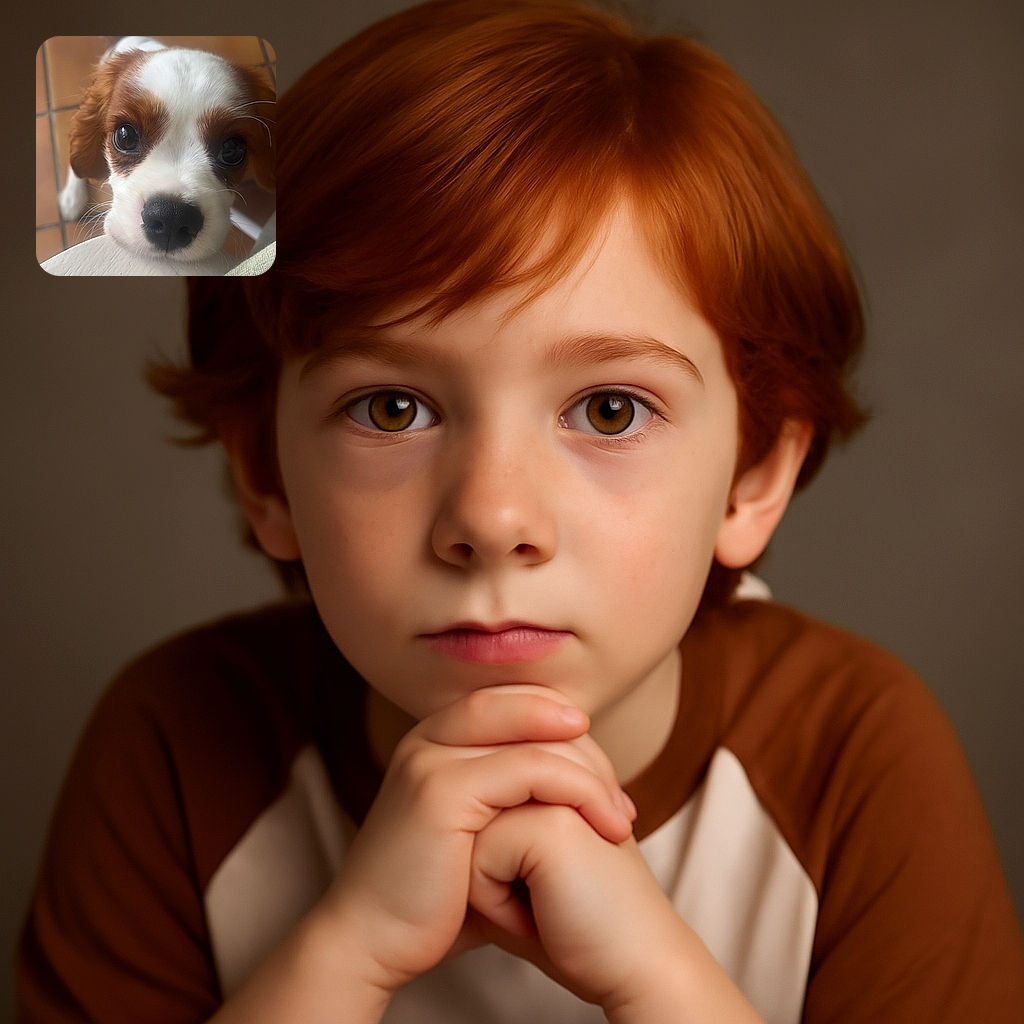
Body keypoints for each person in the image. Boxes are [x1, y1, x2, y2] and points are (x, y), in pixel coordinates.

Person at [17, 1, 1024, 1021]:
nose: (493, 517)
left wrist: (654, 980)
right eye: (392, 407)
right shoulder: (180, 744)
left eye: (609, 408)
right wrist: (347, 950)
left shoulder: (854, 756)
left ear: (752, 475)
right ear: (264, 476)